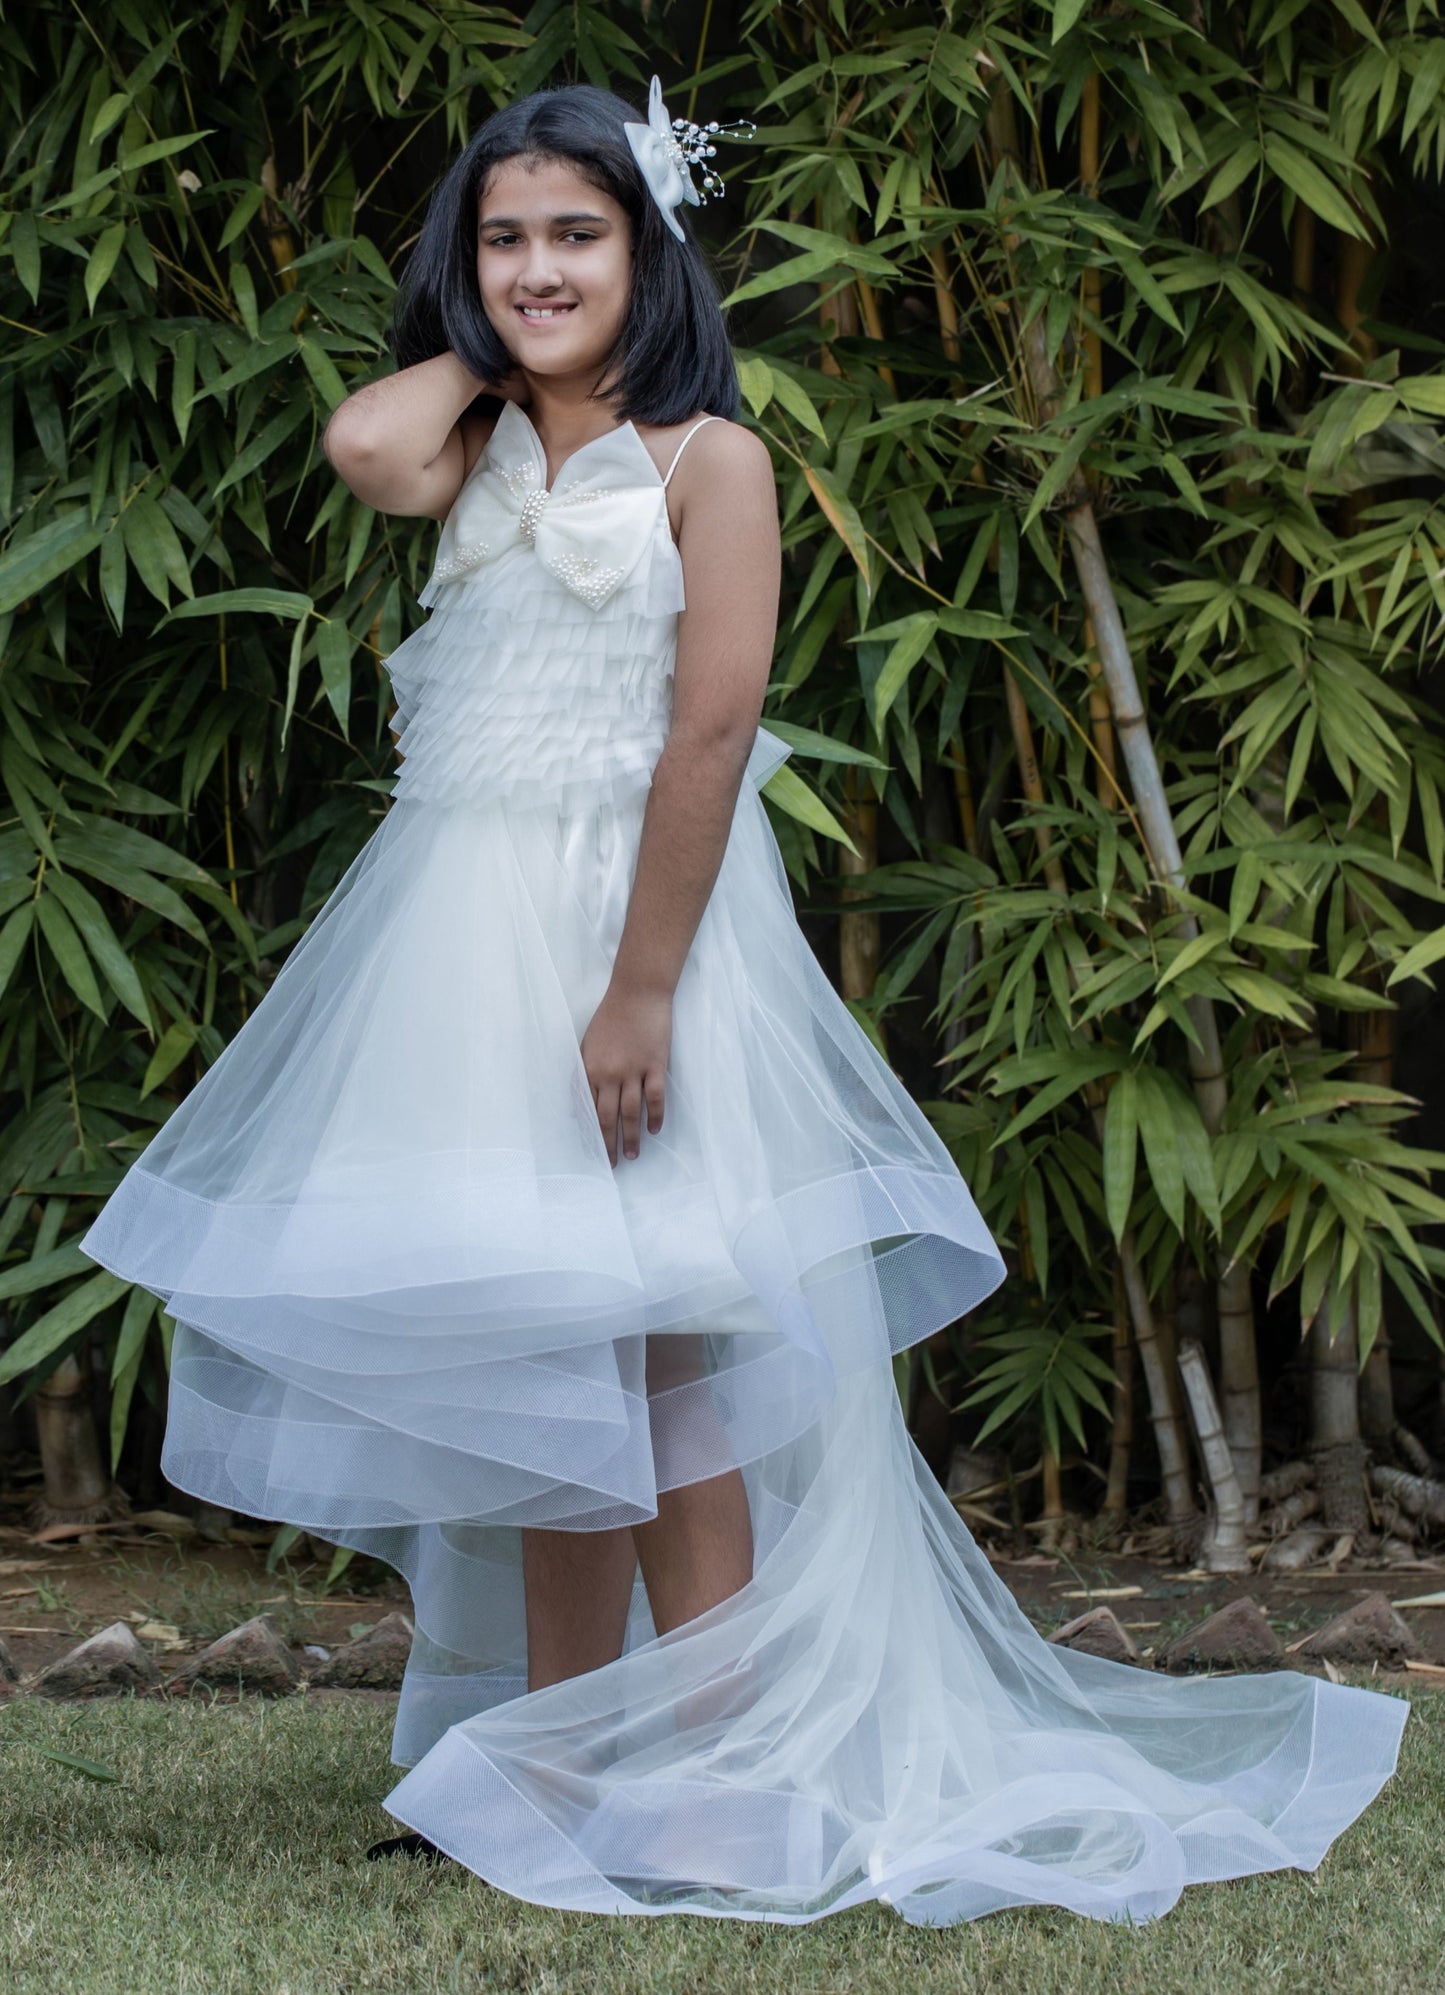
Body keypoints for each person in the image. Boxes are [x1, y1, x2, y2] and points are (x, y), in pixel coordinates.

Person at [80, 76, 1409, 1926]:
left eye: (578, 234)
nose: (540, 268)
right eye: (505, 238)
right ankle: (565, 1753)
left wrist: (638, 993)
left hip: (642, 942)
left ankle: (710, 1768)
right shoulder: (469, 443)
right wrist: (479, 351)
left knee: (672, 1358)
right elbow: (362, 443)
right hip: (463, 954)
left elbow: (709, 727)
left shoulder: (710, 456)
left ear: (652, 250)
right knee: (542, 1359)